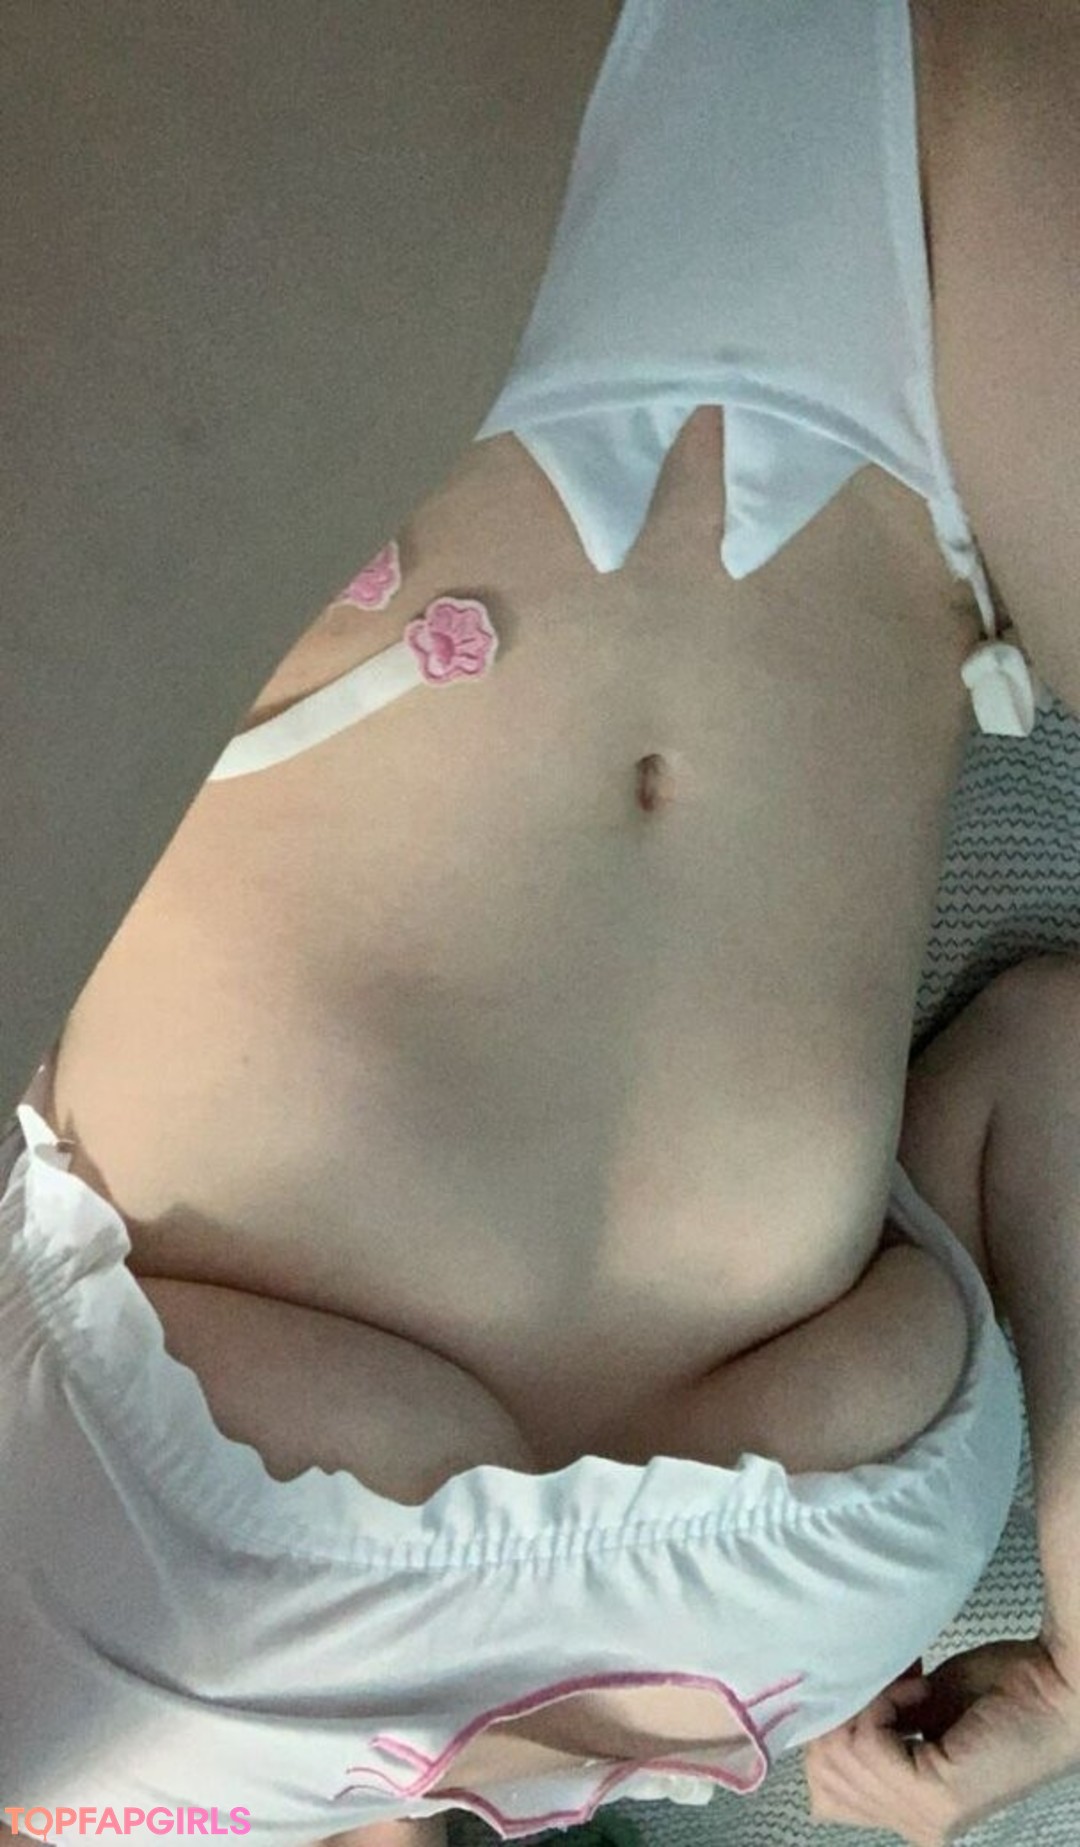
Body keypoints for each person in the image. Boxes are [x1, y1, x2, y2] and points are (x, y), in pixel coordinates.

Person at [3, 4, 1079, 1845]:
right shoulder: (786, 1728)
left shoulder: (67, 1735)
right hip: (908, 356)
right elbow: (1046, 1066)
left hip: (351, 282)